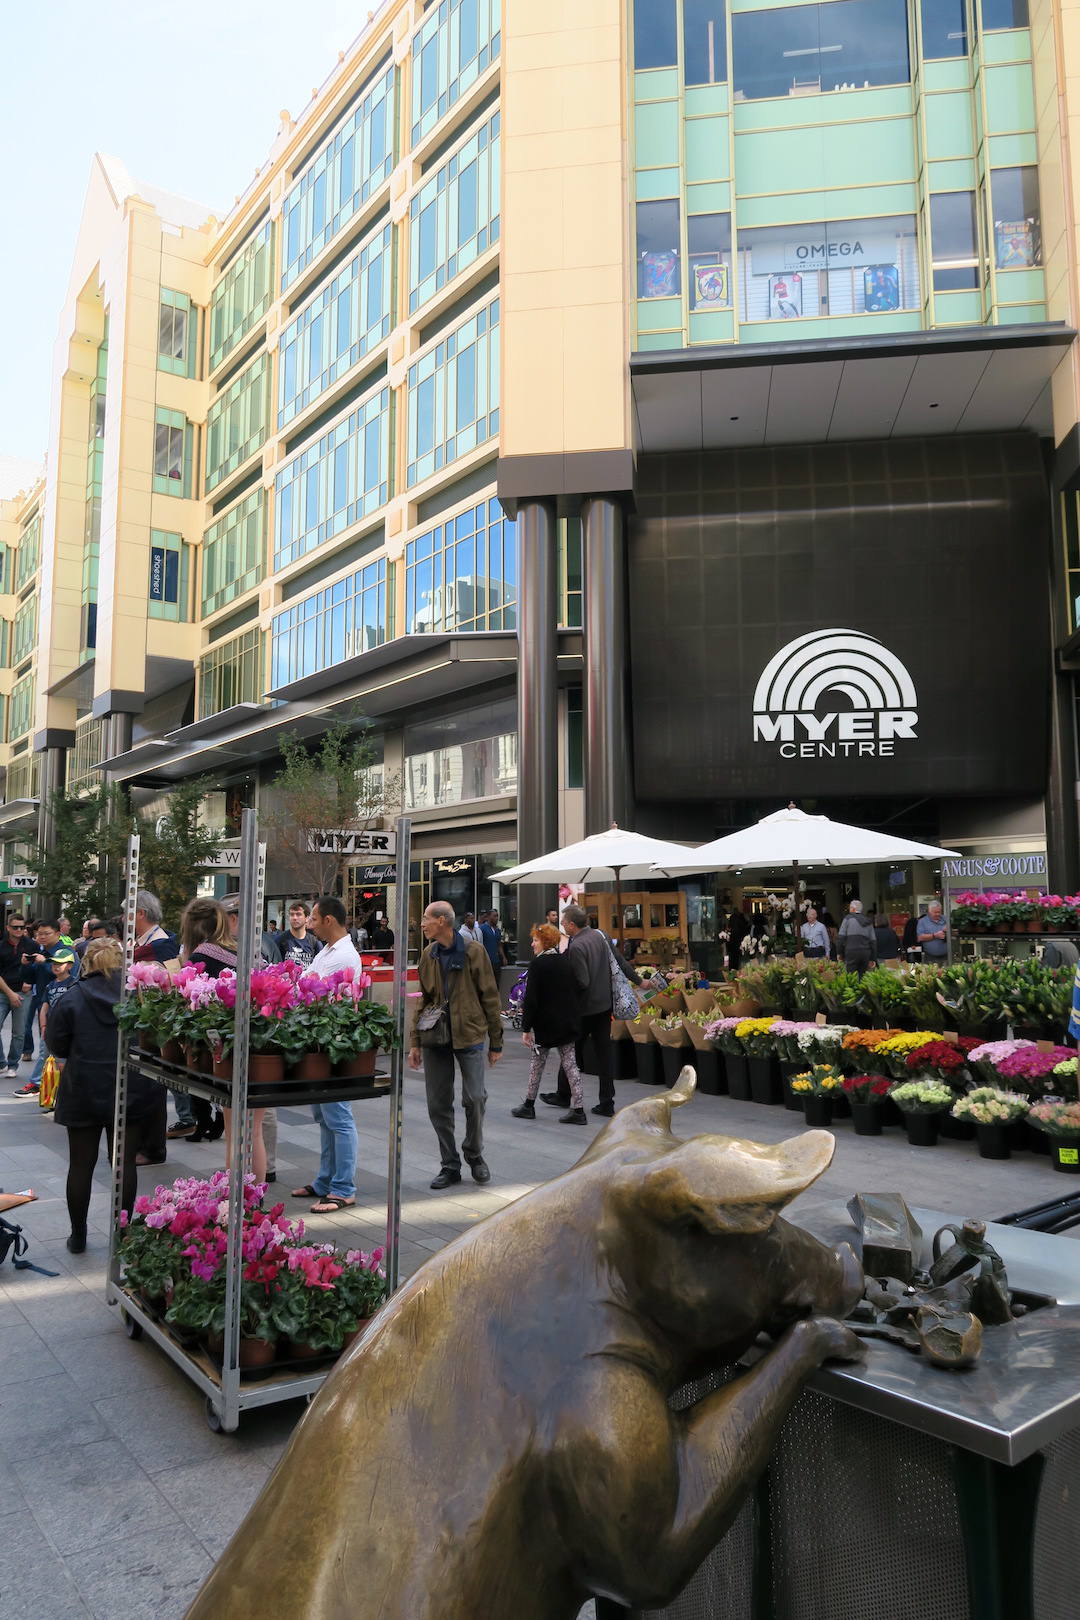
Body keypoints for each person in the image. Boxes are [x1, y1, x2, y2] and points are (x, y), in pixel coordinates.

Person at [50, 937, 166, 1253]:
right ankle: (124, 1234)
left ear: (86, 963)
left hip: (82, 1090)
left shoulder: (72, 998)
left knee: (80, 1165)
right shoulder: (137, 995)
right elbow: (154, 1039)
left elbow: (57, 1045)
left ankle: (78, 1236)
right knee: (124, 1164)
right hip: (129, 1088)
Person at [408, 900, 502, 1189]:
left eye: (426, 918)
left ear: (442, 921)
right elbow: (424, 998)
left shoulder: (474, 952)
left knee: (475, 1098)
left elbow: (490, 995)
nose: (421, 923)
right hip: (435, 1036)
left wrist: (496, 1041)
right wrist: (415, 1041)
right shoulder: (428, 954)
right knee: (438, 1103)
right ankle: (449, 1165)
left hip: (470, 1034)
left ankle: (474, 1155)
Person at [291, 895, 362, 1214]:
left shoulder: (342, 955)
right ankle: (325, 1181)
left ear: (329, 920)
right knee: (325, 1116)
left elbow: (306, 990)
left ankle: (343, 1188)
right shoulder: (328, 951)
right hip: (321, 1041)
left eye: (314, 919)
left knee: (338, 1117)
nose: (310, 924)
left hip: (336, 1043)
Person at [539, 904, 635, 1117]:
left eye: (563, 922)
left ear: (572, 925)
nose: (562, 925)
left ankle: (564, 1095)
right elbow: (619, 962)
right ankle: (606, 1101)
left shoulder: (577, 947)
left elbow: (582, 982)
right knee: (604, 1055)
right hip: (604, 1006)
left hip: (584, 1010)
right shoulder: (601, 936)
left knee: (569, 1053)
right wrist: (639, 981)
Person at [511, 924, 585, 1124]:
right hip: (567, 1021)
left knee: (537, 1065)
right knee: (571, 1064)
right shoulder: (565, 961)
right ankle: (578, 1109)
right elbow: (575, 989)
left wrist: (526, 1028)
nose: (532, 944)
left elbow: (532, 999)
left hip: (545, 1024)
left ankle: (528, 1105)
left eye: (535, 940)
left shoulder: (538, 964)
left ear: (545, 942)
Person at [15, 920, 79, 1099]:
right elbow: (30, 978)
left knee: (49, 1048)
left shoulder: (66, 953)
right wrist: (25, 965)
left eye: (46, 933)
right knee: (48, 1047)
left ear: (58, 933)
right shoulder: (41, 951)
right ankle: (52, 1085)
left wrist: (44, 963)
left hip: (63, 1008)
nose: (41, 937)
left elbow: (69, 978)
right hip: (45, 1002)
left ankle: (37, 1084)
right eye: (38, 934)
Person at [0, 914, 35, 1083]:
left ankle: (13, 1065)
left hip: (24, 993)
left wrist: (29, 982)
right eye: (15, 927)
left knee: (19, 1032)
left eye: (22, 927)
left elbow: (37, 967)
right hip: (3, 992)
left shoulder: (32, 945)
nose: (19, 930)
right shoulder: (1, 945)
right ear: (8, 928)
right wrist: (10, 993)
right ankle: (1, 1063)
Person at [221, 892, 281, 963]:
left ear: (233, 918)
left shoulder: (217, 943)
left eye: (221, 919)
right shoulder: (267, 942)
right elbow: (278, 970)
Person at [132, 892, 178, 965]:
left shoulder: (164, 948)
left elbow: (172, 975)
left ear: (141, 913)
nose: (123, 918)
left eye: (127, 913)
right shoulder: (139, 941)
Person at [274, 900, 321, 966]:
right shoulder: (280, 940)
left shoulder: (314, 942)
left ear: (307, 918)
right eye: (292, 914)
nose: (295, 918)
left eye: (298, 914)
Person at [837, 900, 877, 976]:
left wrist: (840, 953)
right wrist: (873, 958)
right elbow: (873, 941)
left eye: (850, 908)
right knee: (864, 977)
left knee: (851, 977)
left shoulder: (847, 919)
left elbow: (841, 938)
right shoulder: (868, 921)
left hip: (851, 952)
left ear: (853, 909)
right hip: (865, 953)